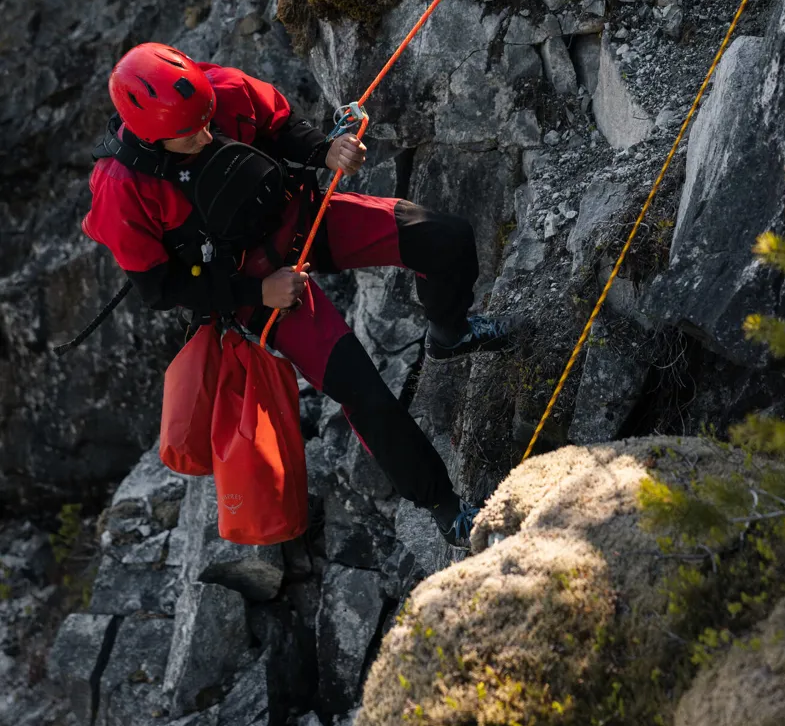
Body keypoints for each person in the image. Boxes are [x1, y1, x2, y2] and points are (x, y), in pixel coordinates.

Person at [82, 43, 507, 546]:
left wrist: (324, 150)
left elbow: (278, 129)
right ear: (149, 137)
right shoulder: (121, 189)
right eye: (187, 135)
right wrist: (260, 290)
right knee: (364, 392)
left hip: (302, 219)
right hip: (254, 290)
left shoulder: (221, 90)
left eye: (206, 120)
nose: (203, 134)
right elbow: (162, 287)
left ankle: (450, 334)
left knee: (446, 239)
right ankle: (445, 509)